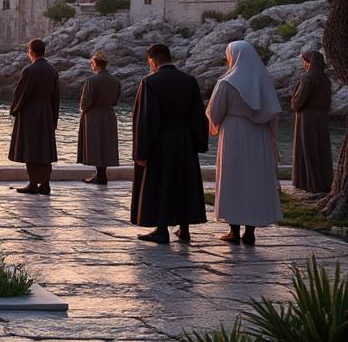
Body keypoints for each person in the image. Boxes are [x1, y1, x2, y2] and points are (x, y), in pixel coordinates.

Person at [207, 40, 283, 245]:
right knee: (254, 181)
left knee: (233, 180)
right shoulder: (263, 81)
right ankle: (250, 232)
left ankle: (233, 230)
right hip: (259, 136)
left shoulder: (226, 83)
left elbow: (215, 112)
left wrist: (215, 127)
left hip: (233, 135)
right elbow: (272, 112)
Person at [132, 43, 208, 244]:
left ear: (152, 60)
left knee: (162, 184)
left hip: (162, 141)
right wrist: (199, 143)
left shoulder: (150, 83)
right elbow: (198, 115)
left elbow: (146, 120)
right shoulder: (189, 81)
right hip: (185, 140)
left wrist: (141, 151)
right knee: (183, 183)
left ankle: (162, 229)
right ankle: (184, 229)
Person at [8, 38, 60, 195]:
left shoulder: (29, 70)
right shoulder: (53, 70)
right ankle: (45, 184)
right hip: (46, 112)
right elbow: (56, 97)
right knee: (44, 149)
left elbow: (22, 94)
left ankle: (32, 184)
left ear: (30, 51)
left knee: (30, 148)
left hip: (30, 113)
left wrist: (14, 110)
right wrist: (54, 118)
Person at [76, 51, 122, 185]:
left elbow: (85, 101)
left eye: (91, 63)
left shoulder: (91, 80)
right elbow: (116, 99)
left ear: (95, 64)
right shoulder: (116, 80)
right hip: (109, 115)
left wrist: (83, 110)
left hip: (94, 115)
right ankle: (101, 175)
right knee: (106, 145)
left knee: (96, 145)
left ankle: (100, 176)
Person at [291, 50, 333, 194]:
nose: (304, 64)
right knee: (320, 149)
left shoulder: (308, 79)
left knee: (307, 148)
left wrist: (294, 103)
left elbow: (298, 102)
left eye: (306, 61)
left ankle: (308, 183)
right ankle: (323, 182)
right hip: (321, 118)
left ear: (310, 63)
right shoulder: (325, 79)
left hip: (307, 118)